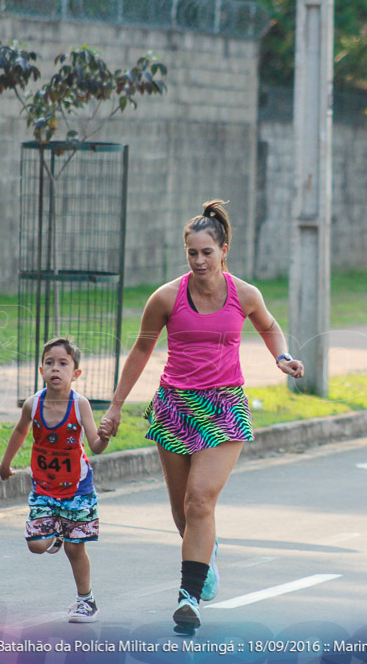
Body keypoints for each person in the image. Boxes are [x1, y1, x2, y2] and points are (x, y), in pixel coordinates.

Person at [96, 200, 304, 634]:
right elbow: (141, 350)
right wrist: (115, 406)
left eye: (207, 252)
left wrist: (282, 356)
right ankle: (204, 552)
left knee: (199, 500)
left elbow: (269, 326)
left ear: (223, 250)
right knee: (182, 513)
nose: (199, 260)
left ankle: (187, 597)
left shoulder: (245, 294)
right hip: (174, 406)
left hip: (225, 408)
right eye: (192, 253)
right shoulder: (167, 297)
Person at [0, 337, 109, 623]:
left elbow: (95, 445)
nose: (55, 369)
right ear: (41, 370)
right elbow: (20, 432)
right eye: (50, 363)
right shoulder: (33, 404)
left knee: (75, 548)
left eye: (63, 363)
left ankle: (86, 601)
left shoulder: (80, 404)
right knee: (36, 544)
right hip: (44, 487)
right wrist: (5, 463)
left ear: (76, 373)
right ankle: (56, 532)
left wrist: (105, 437)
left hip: (77, 489)